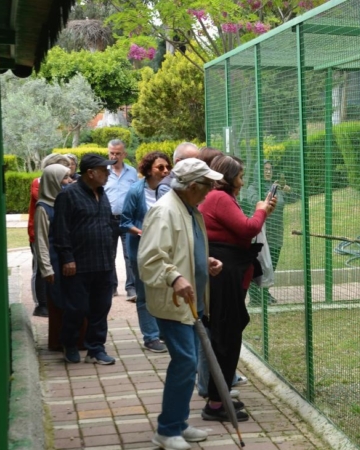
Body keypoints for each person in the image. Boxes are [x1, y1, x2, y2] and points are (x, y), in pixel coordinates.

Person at [138, 158, 224, 450]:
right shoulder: (164, 212)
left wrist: (204, 261)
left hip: (191, 300)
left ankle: (178, 423)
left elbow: (184, 248)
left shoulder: (190, 210)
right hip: (174, 301)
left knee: (186, 364)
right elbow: (149, 260)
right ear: (192, 186)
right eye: (208, 184)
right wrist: (175, 277)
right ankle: (167, 430)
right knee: (186, 361)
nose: (211, 190)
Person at [198, 154, 276, 423]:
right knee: (225, 336)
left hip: (231, 274)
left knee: (228, 334)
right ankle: (216, 403)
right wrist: (261, 209)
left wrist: (262, 211)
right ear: (228, 178)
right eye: (240, 177)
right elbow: (247, 228)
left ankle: (218, 397)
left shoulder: (219, 197)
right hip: (225, 276)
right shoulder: (218, 197)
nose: (242, 183)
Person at [52, 153, 119, 365]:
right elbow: (60, 230)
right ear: (90, 173)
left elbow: (108, 223)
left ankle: (96, 349)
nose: (108, 174)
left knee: (101, 307)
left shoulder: (102, 193)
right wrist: (67, 258)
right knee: (77, 308)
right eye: (104, 170)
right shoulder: (68, 195)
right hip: (78, 265)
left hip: (104, 263)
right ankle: (70, 344)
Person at [120, 151, 172, 353]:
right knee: (144, 292)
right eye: (160, 167)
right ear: (148, 169)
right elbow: (125, 222)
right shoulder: (136, 190)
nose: (166, 170)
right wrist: (141, 231)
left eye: (167, 167)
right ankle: (150, 337)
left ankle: (161, 332)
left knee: (162, 288)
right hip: (140, 248)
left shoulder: (167, 190)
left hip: (162, 246)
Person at [27, 153, 72, 317]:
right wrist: (47, 268)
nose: (69, 181)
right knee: (43, 275)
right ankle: (41, 304)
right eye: (65, 177)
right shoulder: (44, 206)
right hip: (51, 254)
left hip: (63, 257)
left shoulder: (65, 201)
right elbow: (41, 242)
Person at [243, 160, 290, 305]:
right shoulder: (253, 188)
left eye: (270, 169)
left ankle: (265, 293)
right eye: (265, 169)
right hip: (261, 234)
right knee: (257, 266)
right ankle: (256, 297)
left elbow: (284, 202)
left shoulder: (276, 187)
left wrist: (286, 191)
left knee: (272, 265)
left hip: (276, 234)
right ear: (258, 171)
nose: (268, 171)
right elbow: (254, 203)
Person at [105, 139, 138, 301]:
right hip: (108, 219)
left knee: (129, 254)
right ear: (108, 153)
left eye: (118, 153)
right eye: (112, 153)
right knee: (108, 255)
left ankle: (131, 287)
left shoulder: (132, 172)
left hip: (127, 219)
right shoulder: (103, 172)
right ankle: (111, 287)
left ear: (124, 154)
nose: (115, 156)